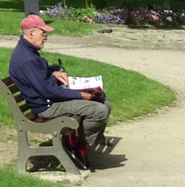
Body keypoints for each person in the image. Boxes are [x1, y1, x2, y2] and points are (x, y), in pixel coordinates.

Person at [8, 14, 112, 151]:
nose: (46, 37)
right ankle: (76, 144)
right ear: (31, 33)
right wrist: (81, 95)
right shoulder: (28, 59)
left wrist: (53, 73)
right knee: (99, 110)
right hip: (47, 107)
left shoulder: (27, 50)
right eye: (43, 33)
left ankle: (78, 142)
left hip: (48, 99)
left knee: (106, 103)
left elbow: (39, 78)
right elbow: (49, 91)